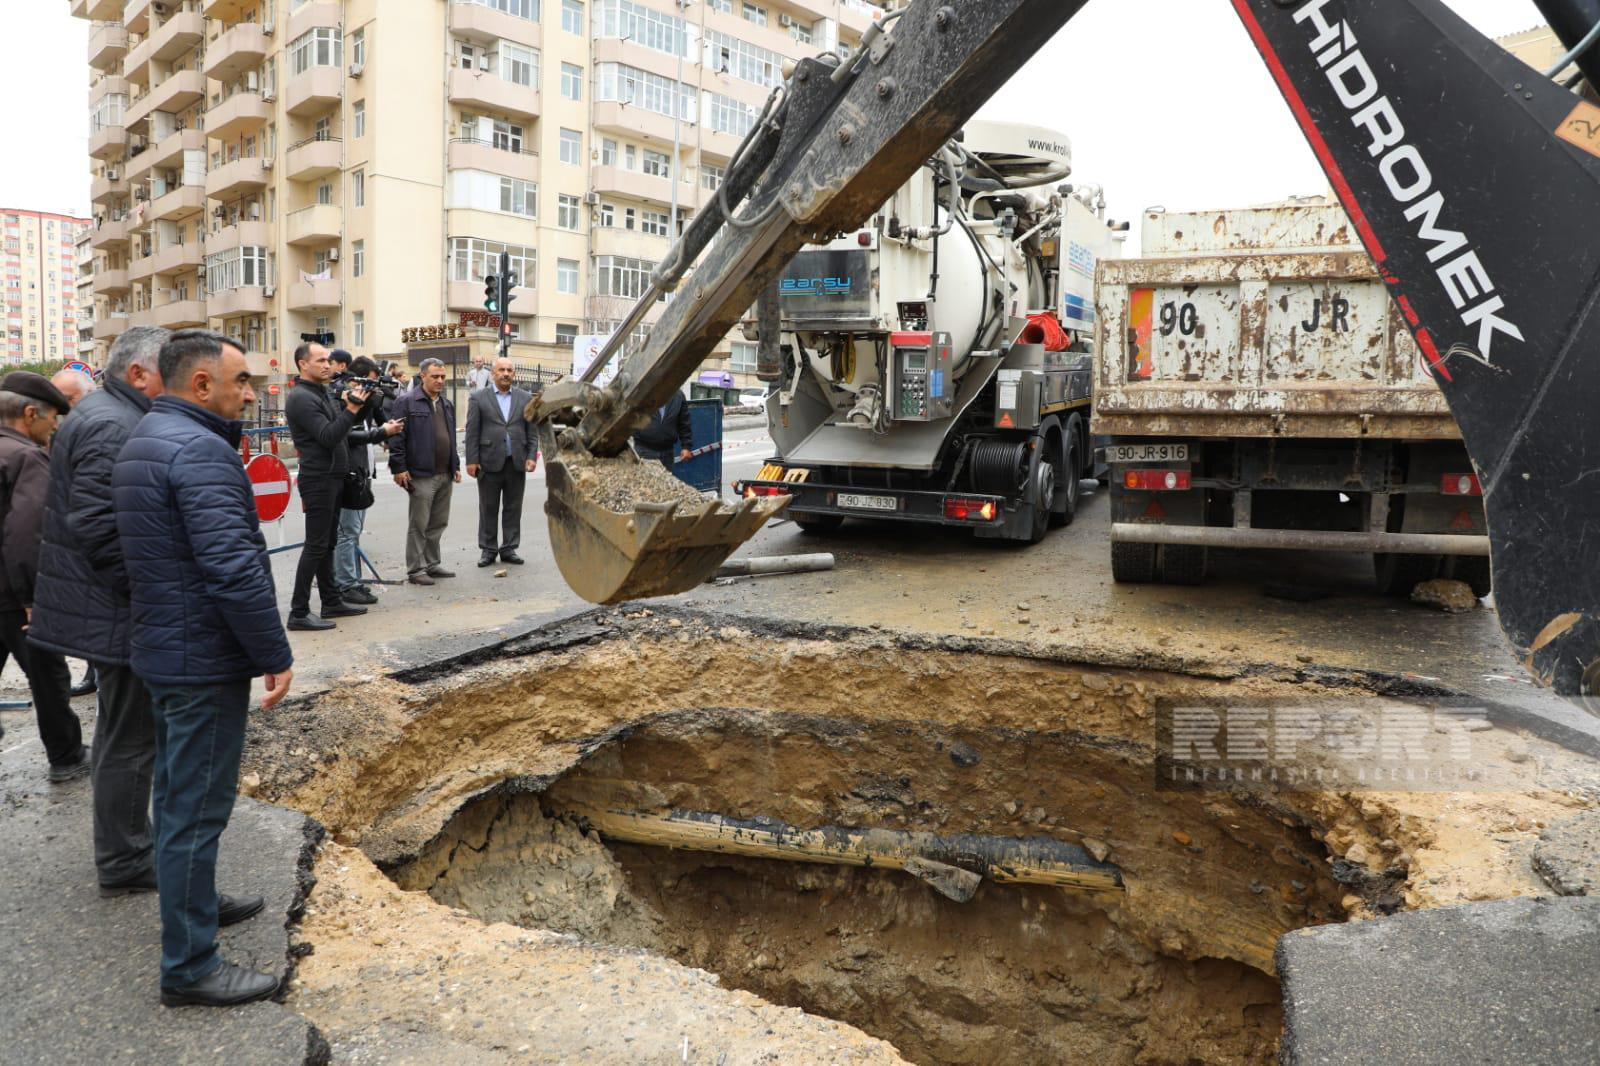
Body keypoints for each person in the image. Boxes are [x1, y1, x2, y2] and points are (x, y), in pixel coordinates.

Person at [112, 328, 293, 1008]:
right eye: (241, 381)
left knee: (179, 799)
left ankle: (199, 904)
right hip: (200, 660)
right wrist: (273, 653)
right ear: (200, 385)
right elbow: (233, 569)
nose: (250, 393)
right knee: (195, 809)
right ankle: (190, 966)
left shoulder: (148, 439)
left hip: (166, 648)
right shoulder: (200, 451)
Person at [33, 327, 173, 892]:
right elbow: (95, 523)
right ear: (138, 373)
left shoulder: (108, 415)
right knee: (131, 736)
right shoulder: (115, 424)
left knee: (124, 732)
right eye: (173, 371)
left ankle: (127, 850)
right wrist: (147, 592)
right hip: (120, 607)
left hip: (111, 604)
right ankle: (126, 860)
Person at [0, 372, 86, 782]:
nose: (54, 426)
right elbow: (27, 533)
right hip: (14, 597)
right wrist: (34, 597)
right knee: (49, 674)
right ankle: (67, 755)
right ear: (29, 413)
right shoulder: (26, 458)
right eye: (51, 417)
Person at [283, 342, 370, 631]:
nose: (326, 365)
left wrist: (351, 409)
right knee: (316, 545)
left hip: (332, 477)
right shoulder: (300, 398)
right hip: (318, 479)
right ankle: (298, 612)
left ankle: (331, 600)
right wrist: (352, 408)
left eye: (328, 360)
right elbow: (328, 436)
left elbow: (342, 432)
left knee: (328, 543)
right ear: (302, 364)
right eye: (319, 360)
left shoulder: (321, 392)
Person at [333, 355, 402, 603]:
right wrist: (380, 432)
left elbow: (377, 419)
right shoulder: (342, 401)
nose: (372, 390)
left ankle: (351, 580)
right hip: (347, 473)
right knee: (346, 531)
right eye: (369, 383)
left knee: (354, 530)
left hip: (362, 472)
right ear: (355, 380)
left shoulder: (364, 404)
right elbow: (348, 435)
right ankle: (345, 584)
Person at [388, 357, 461, 586]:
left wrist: (455, 465)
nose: (440, 381)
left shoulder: (446, 404)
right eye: (435, 377)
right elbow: (397, 438)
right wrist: (399, 468)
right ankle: (416, 569)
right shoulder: (406, 402)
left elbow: (451, 437)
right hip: (420, 474)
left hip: (444, 474)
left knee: (438, 522)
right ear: (422, 377)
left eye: (442, 377)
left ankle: (432, 563)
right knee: (419, 524)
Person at [465, 357, 538, 567]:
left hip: (517, 461)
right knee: (488, 507)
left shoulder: (525, 397)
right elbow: (472, 431)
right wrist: (472, 460)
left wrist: (532, 456)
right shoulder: (479, 397)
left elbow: (532, 431)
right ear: (493, 374)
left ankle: (509, 548)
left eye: (509, 370)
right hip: (488, 462)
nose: (506, 374)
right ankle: (488, 550)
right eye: (501, 370)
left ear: (513, 374)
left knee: (513, 507)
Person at [632, 390, 694, 471]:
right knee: (646, 482)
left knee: (665, 482)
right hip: (645, 451)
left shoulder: (679, 396)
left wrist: (686, 446)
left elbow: (684, 423)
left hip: (667, 454)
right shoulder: (644, 392)